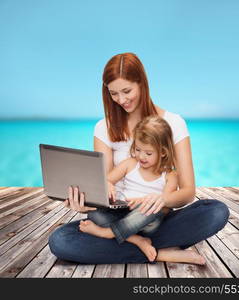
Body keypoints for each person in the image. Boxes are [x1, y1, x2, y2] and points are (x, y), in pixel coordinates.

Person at [48, 52, 229, 264]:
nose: (121, 100)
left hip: (157, 217)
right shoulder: (103, 128)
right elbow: (106, 186)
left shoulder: (174, 123)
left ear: (142, 83)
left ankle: (125, 241)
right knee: (60, 241)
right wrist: (85, 202)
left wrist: (161, 199)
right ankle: (159, 251)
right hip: (115, 216)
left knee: (216, 211)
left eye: (127, 91)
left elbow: (188, 192)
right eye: (113, 94)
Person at [79, 116, 205, 264]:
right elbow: (105, 181)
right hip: (122, 214)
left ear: (163, 152)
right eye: (138, 149)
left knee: (152, 210)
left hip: (146, 221)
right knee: (94, 213)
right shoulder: (130, 164)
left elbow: (164, 206)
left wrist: (144, 203)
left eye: (148, 153)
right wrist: (108, 185)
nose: (141, 156)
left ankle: (106, 233)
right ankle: (138, 241)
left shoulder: (170, 175)